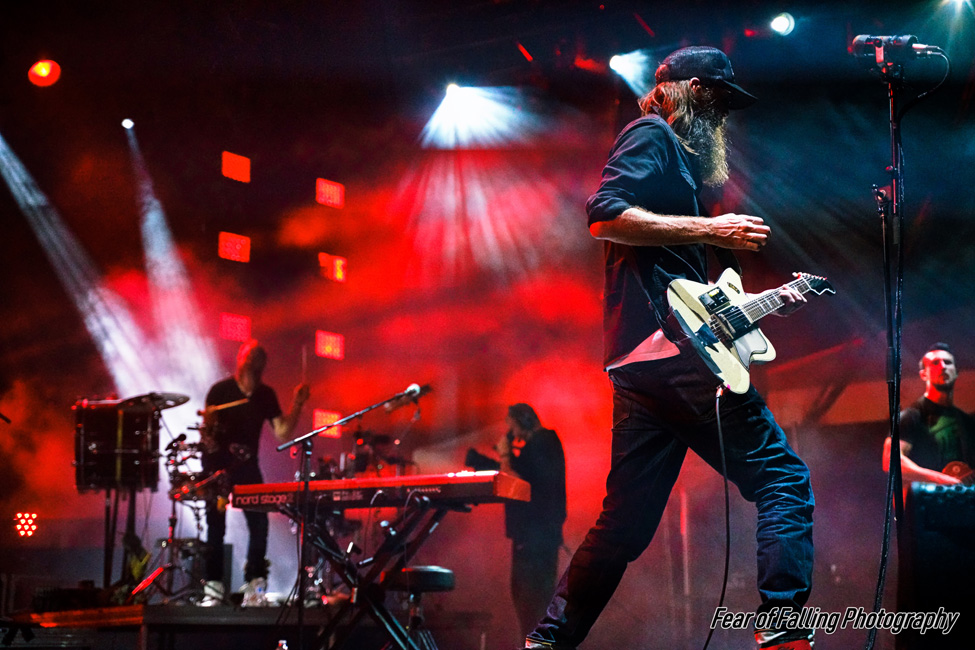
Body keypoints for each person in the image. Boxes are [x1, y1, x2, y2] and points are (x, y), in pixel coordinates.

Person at [523, 46, 815, 650]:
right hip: (676, 357)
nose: (725, 117)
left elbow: (673, 278)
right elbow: (604, 217)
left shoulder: (675, 163)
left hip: (645, 365)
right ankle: (784, 632)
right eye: (719, 100)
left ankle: (548, 641)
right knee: (784, 480)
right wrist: (713, 229)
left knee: (624, 525)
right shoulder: (649, 134)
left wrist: (747, 305)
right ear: (691, 93)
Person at [199, 339, 309, 606]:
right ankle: (213, 588)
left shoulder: (265, 395)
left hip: (247, 467)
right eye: (249, 357)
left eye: (257, 359)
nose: (252, 364)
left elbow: (282, 431)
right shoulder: (220, 391)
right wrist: (209, 428)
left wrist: (297, 403)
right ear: (240, 360)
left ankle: (255, 585)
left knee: (259, 523)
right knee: (216, 524)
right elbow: (207, 436)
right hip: (218, 466)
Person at [465, 404, 567, 638]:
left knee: (531, 601)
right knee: (529, 601)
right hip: (534, 537)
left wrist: (504, 453)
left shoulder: (543, 442)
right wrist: (483, 462)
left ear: (524, 420)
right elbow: (524, 473)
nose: (512, 433)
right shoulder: (540, 445)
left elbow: (517, 483)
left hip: (535, 538)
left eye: (511, 425)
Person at [883, 343, 975, 485]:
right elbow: (891, 461)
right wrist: (944, 480)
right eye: (935, 363)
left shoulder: (966, 421)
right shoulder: (910, 416)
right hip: (927, 503)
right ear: (923, 374)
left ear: (956, 372)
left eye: (948, 362)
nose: (943, 366)